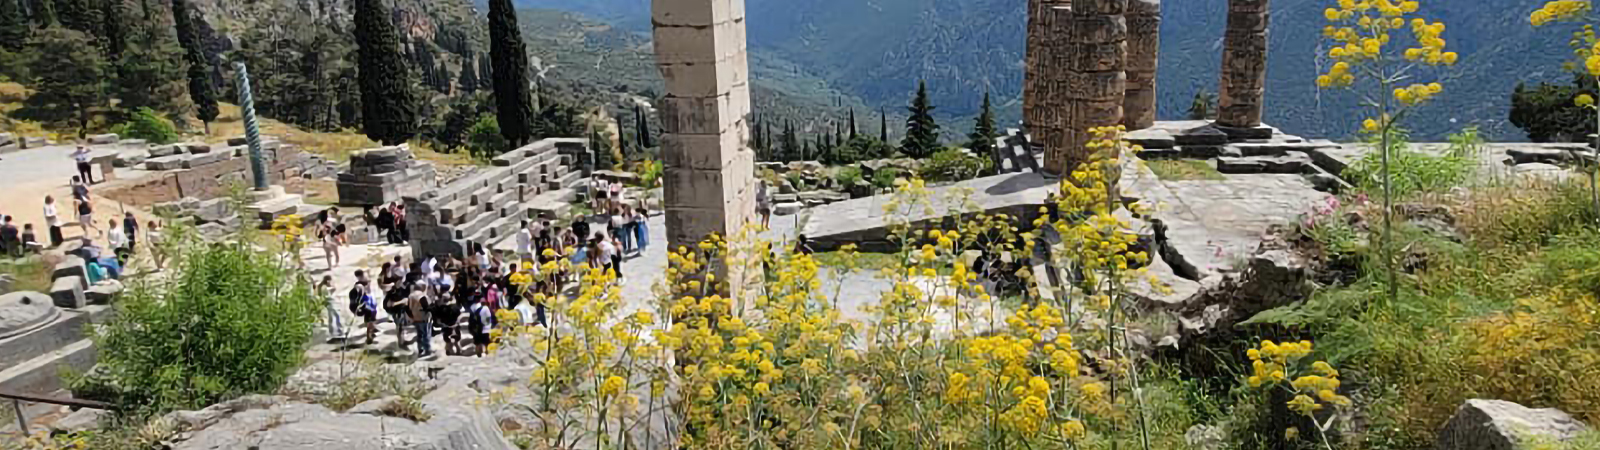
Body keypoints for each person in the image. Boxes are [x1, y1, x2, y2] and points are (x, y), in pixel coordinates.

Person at [349, 271, 378, 345]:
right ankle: (369, 337)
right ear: (360, 277)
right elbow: (358, 293)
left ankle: (372, 329)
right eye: (365, 276)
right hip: (365, 304)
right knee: (369, 319)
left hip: (371, 301)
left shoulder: (366, 282)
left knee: (373, 316)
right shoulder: (359, 285)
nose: (366, 277)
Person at [407, 286, 433, 358]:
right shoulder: (422, 296)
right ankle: (427, 350)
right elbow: (426, 307)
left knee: (419, 334)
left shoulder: (410, 296)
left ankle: (420, 349)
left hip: (415, 318)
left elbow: (407, 308)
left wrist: (411, 317)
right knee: (426, 334)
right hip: (423, 318)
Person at [317, 275, 345, 340]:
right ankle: (339, 330)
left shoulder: (321, 287)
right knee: (336, 316)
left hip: (328, 303)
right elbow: (329, 292)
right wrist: (332, 288)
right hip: (330, 303)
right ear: (328, 280)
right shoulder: (324, 287)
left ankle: (333, 332)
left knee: (331, 318)